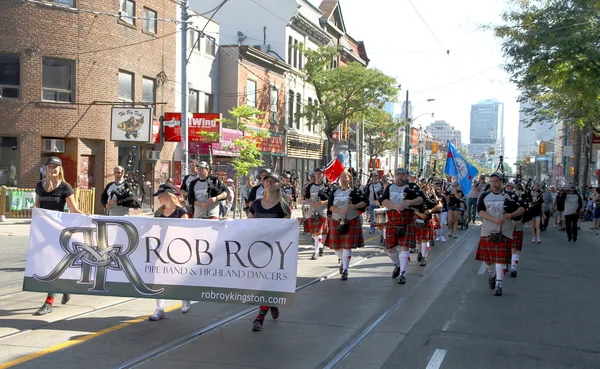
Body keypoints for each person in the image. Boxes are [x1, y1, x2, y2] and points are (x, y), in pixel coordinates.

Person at [33, 156, 84, 316]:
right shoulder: (39, 186)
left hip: (59, 231)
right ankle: (64, 286)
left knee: (52, 265)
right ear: (46, 169)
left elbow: (74, 210)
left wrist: (89, 218)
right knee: (44, 264)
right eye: (49, 166)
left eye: (55, 167)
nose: (52, 169)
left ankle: (49, 302)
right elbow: (37, 205)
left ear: (59, 169)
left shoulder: (65, 187)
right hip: (43, 231)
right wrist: (33, 209)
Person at [247, 172, 290, 331]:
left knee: (267, 282)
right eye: (267, 181)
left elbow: (287, 228)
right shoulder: (256, 204)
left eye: (273, 181)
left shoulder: (283, 205)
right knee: (259, 282)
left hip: (275, 250)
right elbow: (247, 225)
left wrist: (293, 223)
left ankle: (259, 317)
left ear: (279, 184)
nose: (269, 184)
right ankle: (271, 302)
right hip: (257, 249)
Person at [475, 172, 525, 296]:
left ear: (501, 183)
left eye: (496, 181)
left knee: (500, 261)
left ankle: (499, 285)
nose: (494, 184)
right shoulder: (484, 196)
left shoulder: (510, 196)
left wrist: (511, 215)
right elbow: (480, 211)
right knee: (488, 260)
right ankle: (491, 275)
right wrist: (494, 220)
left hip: (505, 231)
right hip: (487, 231)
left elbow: (522, 208)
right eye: (492, 181)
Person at [149, 183, 191, 320]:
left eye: (161, 196)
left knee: (178, 276)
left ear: (169, 196)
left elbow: (186, 231)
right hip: (161, 249)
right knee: (159, 278)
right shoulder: (158, 212)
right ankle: (159, 308)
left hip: (177, 249)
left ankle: (185, 298)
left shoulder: (181, 213)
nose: (159, 199)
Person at [381, 168, 424, 284]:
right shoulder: (390, 187)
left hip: (407, 219)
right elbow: (383, 201)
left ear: (406, 176)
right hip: (393, 219)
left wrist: (409, 202)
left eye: (402, 175)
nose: (400, 177)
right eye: (398, 175)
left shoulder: (413, 187)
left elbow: (421, 199)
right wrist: (394, 206)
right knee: (389, 248)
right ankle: (398, 265)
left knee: (405, 248)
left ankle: (402, 274)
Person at [327, 170, 369, 280]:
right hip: (336, 219)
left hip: (351, 219)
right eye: (341, 176)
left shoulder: (354, 191)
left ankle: (345, 269)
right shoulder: (334, 191)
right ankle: (342, 260)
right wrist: (340, 211)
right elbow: (330, 206)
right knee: (336, 247)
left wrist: (353, 206)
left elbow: (365, 202)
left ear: (349, 178)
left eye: (345, 176)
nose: (343, 178)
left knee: (347, 246)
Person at [414, 180, 442, 267]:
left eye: (425, 185)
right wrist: (419, 214)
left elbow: (440, 205)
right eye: (422, 185)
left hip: (427, 219)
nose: (424, 187)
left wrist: (430, 210)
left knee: (424, 239)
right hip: (418, 218)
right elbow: (411, 207)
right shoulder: (415, 195)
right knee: (418, 240)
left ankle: (424, 257)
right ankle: (419, 252)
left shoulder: (432, 196)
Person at [304, 168, 330, 259]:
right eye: (316, 174)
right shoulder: (309, 186)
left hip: (322, 212)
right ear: (314, 175)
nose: (318, 175)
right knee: (314, 233)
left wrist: (322, 203)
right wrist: (312, 204)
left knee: (318, 232)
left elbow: (330, 199)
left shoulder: (326, 186)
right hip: (312, 211)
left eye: (320, 174)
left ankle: (315, 252)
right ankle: (320, 246)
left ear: (323, 175)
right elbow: (306, 198)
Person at [505, 182, 524, 277]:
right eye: (507, 187)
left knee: (514, 248)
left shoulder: (520, 196)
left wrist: (519, 219)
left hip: (517, 225)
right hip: (505, 226)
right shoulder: (502, 196)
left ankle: (514, 268)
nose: (509, 188)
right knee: (506, 247)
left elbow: (525, 209)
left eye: (511, 187)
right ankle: (504, 265)